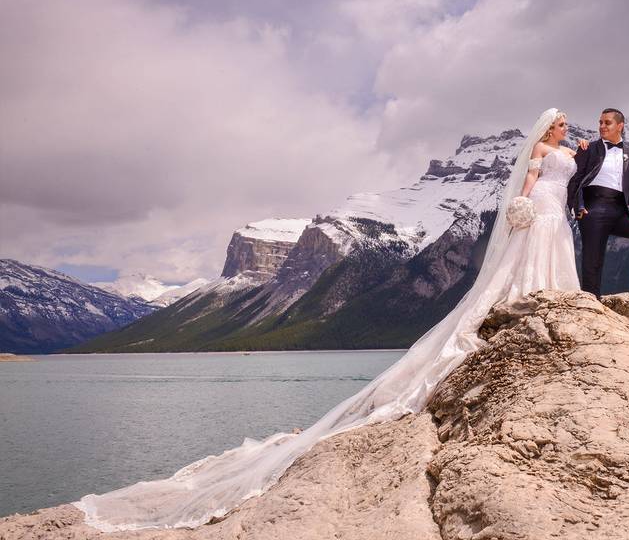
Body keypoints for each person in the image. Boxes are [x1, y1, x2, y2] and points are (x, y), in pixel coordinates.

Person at [71, 108, 586, 532]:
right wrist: (523, 202)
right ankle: (530, 294)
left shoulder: (569, 150)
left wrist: (579, 155)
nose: (564, 130)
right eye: (561, 125)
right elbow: (535, 178)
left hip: (558, 210)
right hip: (539, 206)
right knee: (531, 252)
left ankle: (552, 293)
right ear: (547, 129)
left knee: (552, 246)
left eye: (565, 127)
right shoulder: (541, 153)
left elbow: (573, 173)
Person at [567, 108, 629, 301]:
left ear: (620, 126)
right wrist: (576, 206)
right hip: (593, 208)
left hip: (622, 210)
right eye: (600, 122)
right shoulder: (588, 148)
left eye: (607, 122)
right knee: (593, 260)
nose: (602, 126)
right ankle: (591, 301)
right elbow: (574, 180)